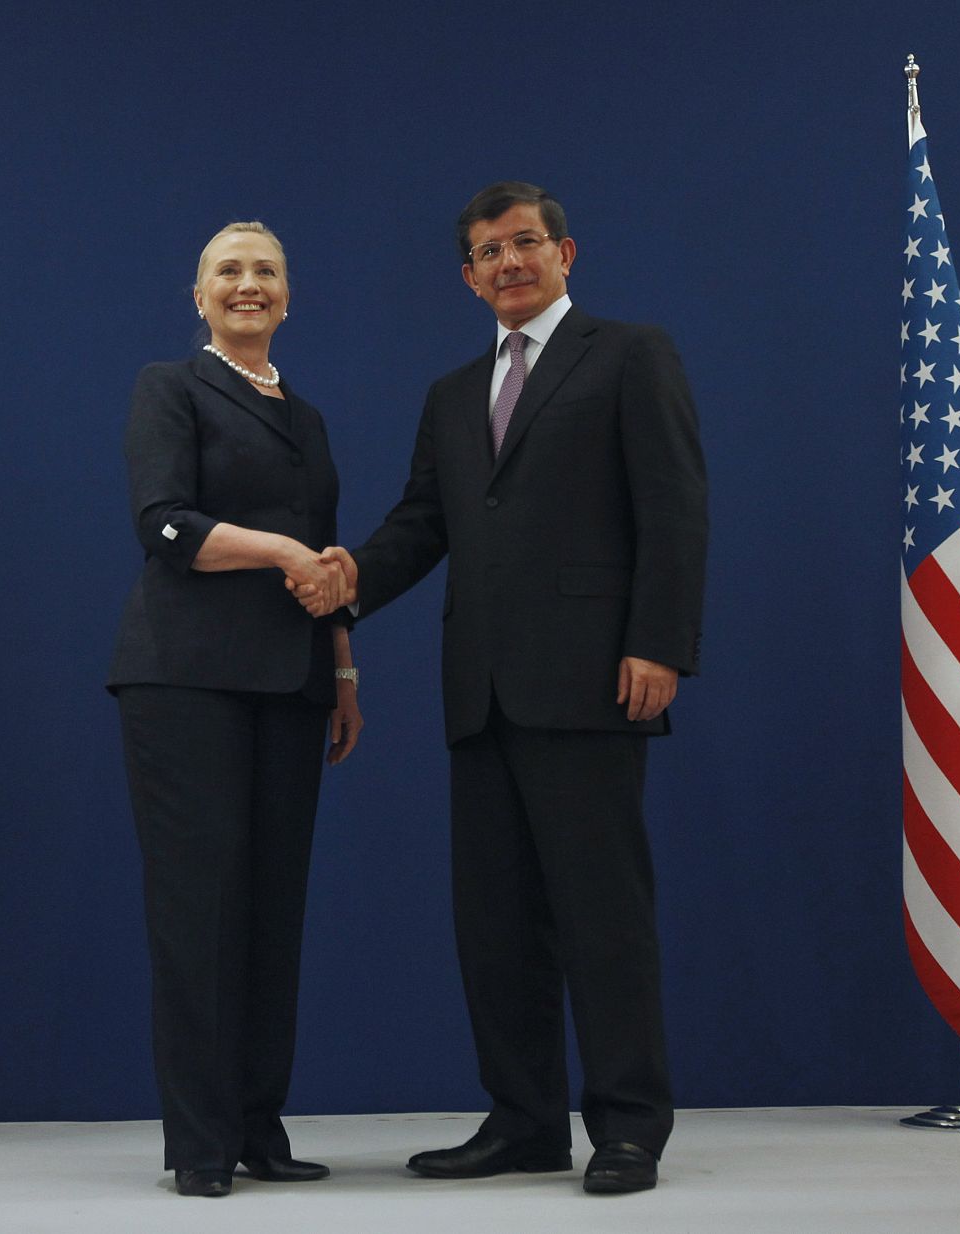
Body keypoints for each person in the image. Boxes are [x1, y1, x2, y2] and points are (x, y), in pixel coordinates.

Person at [298, 182, 706, 1194]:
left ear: (566, 252)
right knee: (498, 927)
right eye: (488, 252)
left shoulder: (629, 353)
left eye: (525, 242)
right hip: (479, 693)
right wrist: (351, 576)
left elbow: (674, 505)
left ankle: (628, 1127)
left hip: (593, 682)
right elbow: (423, 523)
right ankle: (524, 1123)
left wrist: (658, 643)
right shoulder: (452, 394)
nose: (509, 262)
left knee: (602, 918)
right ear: (468, 277)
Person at [108, 221, 361, 1198]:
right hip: (187, 681)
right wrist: (283, 552)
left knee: (270, 912)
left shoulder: (309, 418)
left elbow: (325, 553)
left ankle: (259, 1124)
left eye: (266, 271)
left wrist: (343, 671)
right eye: (229, 270)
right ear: (199, 296)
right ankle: (202, 1142)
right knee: (200, 914)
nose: (247, 284)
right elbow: (163, 523)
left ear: (288, 297)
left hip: (292, 683)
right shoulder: (168, 387)